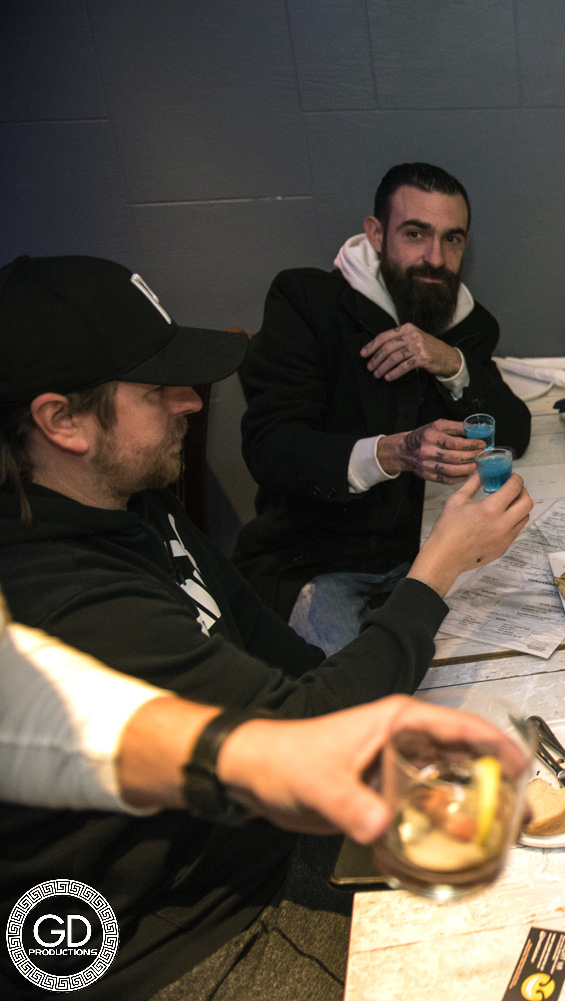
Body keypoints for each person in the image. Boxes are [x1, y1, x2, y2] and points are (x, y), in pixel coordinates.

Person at [0, 254, 533, 999]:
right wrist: (436, 568)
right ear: (62, 422)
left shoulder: (134, 506)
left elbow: (293, 673)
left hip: (264, 848)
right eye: (155, 390)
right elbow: (304, 730)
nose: (191, 402)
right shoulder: (67, 602)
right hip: (191, 943)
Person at [234, 161, 532, 654]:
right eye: (416, 234)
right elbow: (271, 448)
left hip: (432, 552)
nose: (435, 258)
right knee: (359, 691)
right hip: (320, 559)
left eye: (452, 239)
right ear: (376, 234)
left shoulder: (467, 322)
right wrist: (392, 452)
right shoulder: (307, 302)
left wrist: (452, 362)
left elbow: (514, 430)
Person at [0, 592, 525, 846]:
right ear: (62, 424)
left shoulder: (148, 514)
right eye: (156, 401)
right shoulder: (63, 586)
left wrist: (246, 754)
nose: (189, 413)